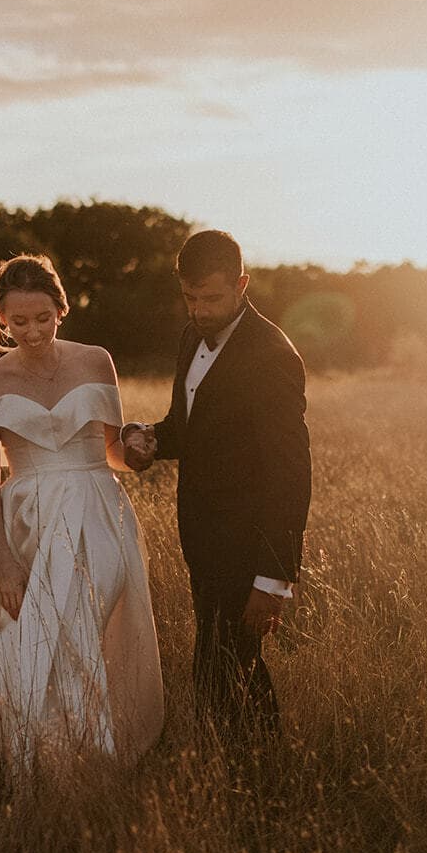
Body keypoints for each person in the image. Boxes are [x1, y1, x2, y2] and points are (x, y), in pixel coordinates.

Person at [0, 254, 164, 780]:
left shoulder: (97, 360)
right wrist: (4, 563)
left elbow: (113, 451)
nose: (31, 331)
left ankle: (87, 763)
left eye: (42, 318)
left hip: (98, 513)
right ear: (0, 319)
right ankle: (37, 768)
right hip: (23, 521)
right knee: (19, 642)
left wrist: (138, 450)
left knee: (78, 634)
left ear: (61, 309)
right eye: (18, 321)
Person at [123, 230, 312, 748]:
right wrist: (150, 439)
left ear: (241, 284)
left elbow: (290, 472)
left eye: (211, 298)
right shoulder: (191, 337)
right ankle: (250, 778)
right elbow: (189, 427)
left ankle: (255, 784)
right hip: (202, 540)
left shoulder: (272, 354)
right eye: (190, 297)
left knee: (224, 672)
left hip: (249, 547)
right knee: (224, 667)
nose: (200, 310)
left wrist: (273, 578)